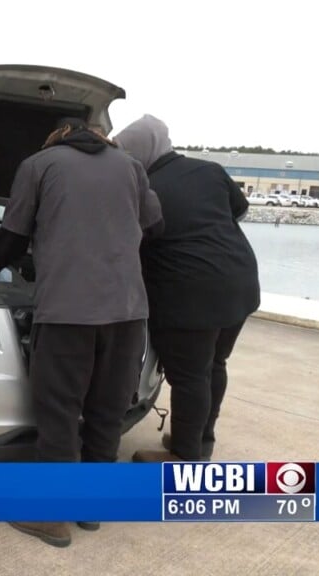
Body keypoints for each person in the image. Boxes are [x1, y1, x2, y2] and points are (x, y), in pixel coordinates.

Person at [0, 118, 163, 547]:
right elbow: (155, 228)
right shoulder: (132, 166)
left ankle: (50, 515)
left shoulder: (39, 165)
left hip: (67, 314)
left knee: (60, 412)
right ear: (99, 136)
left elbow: (14, 235)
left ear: (55, 139)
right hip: (128, 313)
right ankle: (92, 507)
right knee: (106, 410)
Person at [112, 115, 260, 463]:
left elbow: (131, 240)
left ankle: (185, 455)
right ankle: (201, 439)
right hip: (239, 281)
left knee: (190, 374)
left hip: (189, 291)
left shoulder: (143, 187)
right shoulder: (209, 170)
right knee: (215, 363)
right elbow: (239, 211)